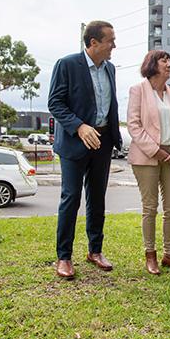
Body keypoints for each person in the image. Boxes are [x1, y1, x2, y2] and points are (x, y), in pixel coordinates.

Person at [48, 20, 122, 279]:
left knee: (98, 198)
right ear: (93, 43)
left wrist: (114, 136)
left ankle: (95, 251)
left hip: (102, 143)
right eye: (110, 41)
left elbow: (109, 104)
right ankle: (64, 257)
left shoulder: (110, 68)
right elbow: (55, 103)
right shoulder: (67, 65)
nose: (114, 45)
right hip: (74, 142)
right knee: (71, 198)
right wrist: (79, 127)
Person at [127, 50, 170, 275]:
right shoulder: (138, 90)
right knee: (150, 208)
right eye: (164, 60)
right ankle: (150, 255)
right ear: (152, 65)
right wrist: (157, 151)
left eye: (169, 61)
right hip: (146, 157)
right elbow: (134, 126)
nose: (169, 64)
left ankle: (169, 255)